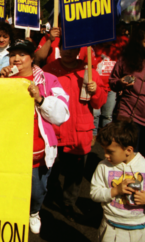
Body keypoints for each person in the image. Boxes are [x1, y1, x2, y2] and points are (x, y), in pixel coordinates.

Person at [0, 39, 70, 234]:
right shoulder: (1, 78)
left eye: (22, 54)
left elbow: (62, 114)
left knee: (37, 190)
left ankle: (34, 212)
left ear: (32, 58)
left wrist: (40, 98)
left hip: (37, 149)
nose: (16, 58)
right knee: (8, 186)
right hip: (8, 149)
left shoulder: (49, 79)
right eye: (13, 54)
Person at [43, 41, 107, 221]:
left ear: (79, 50)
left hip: (79, 132)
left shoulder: (89, 72)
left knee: (74, 174)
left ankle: (68, 203)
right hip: (54, 131)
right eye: (65, 48)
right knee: (50, 170)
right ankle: (49, 197)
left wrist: (96, 91)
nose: (68, 52)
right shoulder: (48, 70)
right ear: (59, 49)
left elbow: (99, 103)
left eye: (72, 48)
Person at [90, 121, 145, 242]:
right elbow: (94, 193)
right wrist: (115, 191)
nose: (105, 155)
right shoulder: (103, 167)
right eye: (104, 150)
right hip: (111, 228)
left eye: (110, 151)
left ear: (128, 150)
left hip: (141, 231)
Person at [109, 22, 145, 162]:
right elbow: (112, 82)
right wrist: (120, 83)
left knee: (143, 161)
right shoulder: (126, 59)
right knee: (125, 156)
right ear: (139, 42)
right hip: (128, 115)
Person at [92, 25, 129, 136]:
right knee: (95, 114)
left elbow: (123, 66)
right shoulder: (94, 48)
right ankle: (92, 137)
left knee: (107, 115)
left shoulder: (117, 49)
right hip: (97, 87)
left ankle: (105, 136)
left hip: (111, 88)